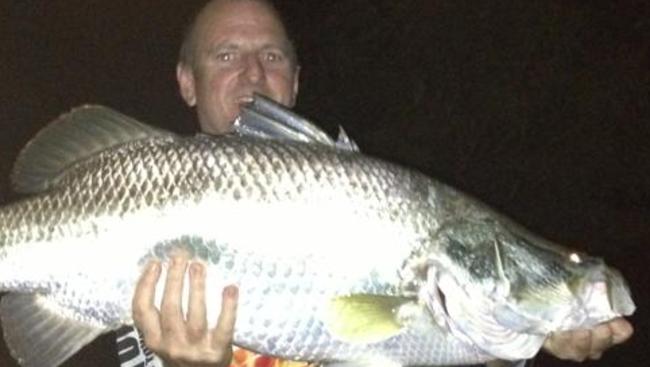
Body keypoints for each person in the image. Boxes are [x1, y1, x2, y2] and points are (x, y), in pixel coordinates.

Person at [123, 1, 634, 366]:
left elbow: (414, 346)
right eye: (227, 55)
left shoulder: (370, 196)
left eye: (272, 57)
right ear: (187, 81)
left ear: (296, 80)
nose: (254, 75)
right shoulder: (139, 210)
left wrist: (532, 331)